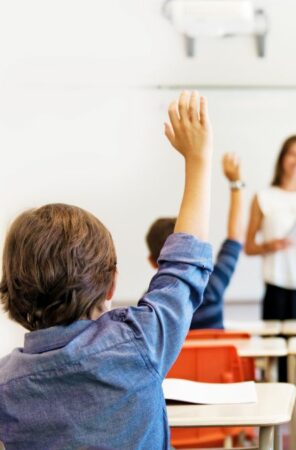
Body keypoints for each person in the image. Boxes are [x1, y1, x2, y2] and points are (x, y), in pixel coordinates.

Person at [0, 91, 215, 448]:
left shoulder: (6, 385)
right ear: (111, 284)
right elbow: (184, 267)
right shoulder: (139, 342)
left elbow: (184, 266)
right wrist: (199, 161)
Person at [145, 152, 246, 330]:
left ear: (152, 261)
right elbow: (235, 238)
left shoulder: (150, 304)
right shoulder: (212, 287)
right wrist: (235, 184)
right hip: (216, 359)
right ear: (191, 250)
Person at [244, 135, 296, 320]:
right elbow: (249, 247)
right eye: (293, 154)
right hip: (278, 288)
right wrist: (270, 246)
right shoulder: (263, 197)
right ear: (282, 157)